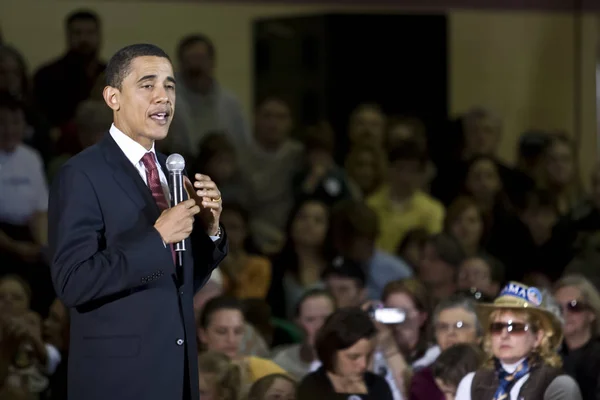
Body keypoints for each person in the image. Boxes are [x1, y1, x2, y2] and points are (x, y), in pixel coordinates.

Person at [47, 43, 228, 400]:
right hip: (119, 380)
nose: (163, 97)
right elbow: (72, 282)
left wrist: (210, 231)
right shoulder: (82, 175)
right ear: (113, 97)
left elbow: (178, 284)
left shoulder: (171, 173)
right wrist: (157, 238)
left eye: (170, 86)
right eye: (148, 85)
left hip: (176, 375)